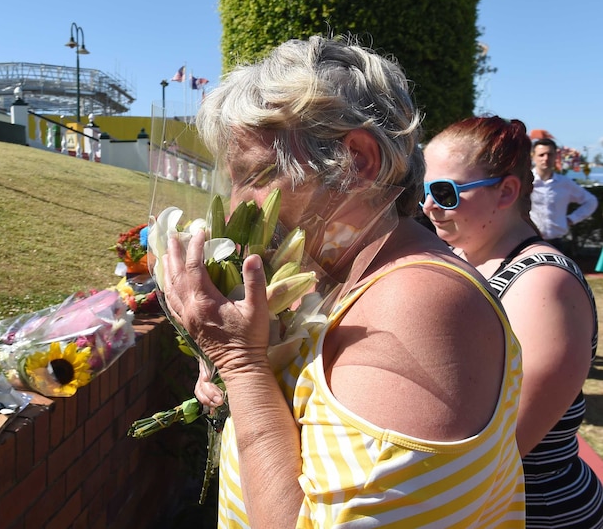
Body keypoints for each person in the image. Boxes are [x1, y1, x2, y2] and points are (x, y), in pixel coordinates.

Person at [160, 36, 525, 528]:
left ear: (357, 162)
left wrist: (240, 364)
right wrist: (246, 370)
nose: (234, 208)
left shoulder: (415, 304)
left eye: (253, 176)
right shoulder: (349, 278)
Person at [422, 116, 603, 528]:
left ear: (506, 191)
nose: (430, 206)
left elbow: (507, 444)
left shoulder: (543, 286)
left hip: (533, 512)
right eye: (425, 191)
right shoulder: (467, 258)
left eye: (446, 192)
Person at [530, 137, 598, 254]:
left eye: (549, 155)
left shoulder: (564, 183)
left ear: (555, 157)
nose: (545, 158)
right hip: (529, 242)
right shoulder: (524, 182)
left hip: (557, 244)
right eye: (541, 155)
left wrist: (572, 219)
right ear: (533, 156)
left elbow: (591, 201)